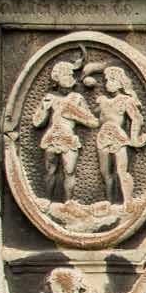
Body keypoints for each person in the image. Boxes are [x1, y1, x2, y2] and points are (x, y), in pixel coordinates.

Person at [31, 58, 98, 202]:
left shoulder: (77, 98)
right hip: (52, 137)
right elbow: (37, 123)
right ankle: (48, 201)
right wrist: (44, 108)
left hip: (68, 138)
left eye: (70, 75)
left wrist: (75, 114)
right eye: (66, 75)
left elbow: (93, 122)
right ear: (57, 78)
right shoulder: (50, 97)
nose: (69, 78)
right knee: (50, 171)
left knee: (69, 171)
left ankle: (69, 203)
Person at [92, 65, 146, 206]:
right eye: (106, 80)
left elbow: (136, 119)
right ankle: (110, 202)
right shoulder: (102, 101)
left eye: (112, 80)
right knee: (105, 173)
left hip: (119, 137)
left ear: (120, 83)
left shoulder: (126, 101)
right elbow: (96, 120)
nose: (108, 84)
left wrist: (134, 138)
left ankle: (128, 201)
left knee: (121, 171)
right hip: (102, 138)